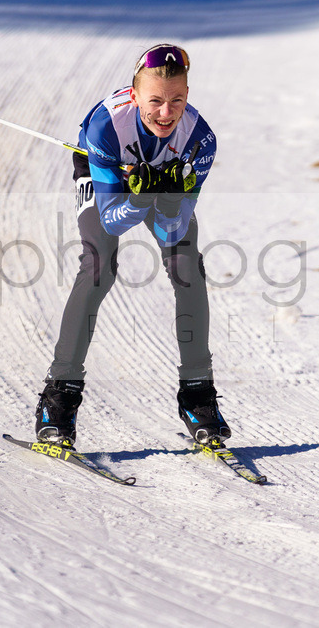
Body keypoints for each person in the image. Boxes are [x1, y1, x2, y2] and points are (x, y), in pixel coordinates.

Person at [35, 43, 231, 447]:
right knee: (98, 265)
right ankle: (59, 397)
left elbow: (173, 232)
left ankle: (198, 394)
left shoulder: (201, 140)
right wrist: (140, 198)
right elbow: (111, 219)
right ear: (135, 94)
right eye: (155, 100)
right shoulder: (105, 126)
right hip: (105, 171)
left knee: (187, 268)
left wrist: (171, 199)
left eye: (176, 100)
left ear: (187, 96)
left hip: (158, 181)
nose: (165, 112)